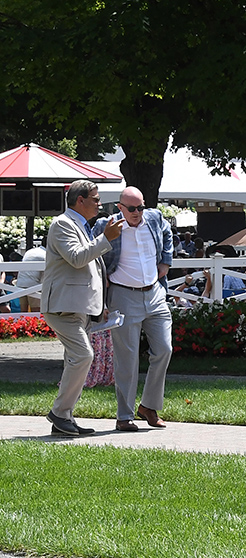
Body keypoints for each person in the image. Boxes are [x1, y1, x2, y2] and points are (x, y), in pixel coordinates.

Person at [40, 180, 123, 436]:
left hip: (78, 307)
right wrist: (105, 238)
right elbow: (77, 258)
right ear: (80, 200)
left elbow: (94, 269)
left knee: (74, 360)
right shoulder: (63, 224)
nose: (99, 203)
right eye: (95, 199)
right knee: (83, 356)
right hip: (62, 307)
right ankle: (59, 412)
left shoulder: (79, 225)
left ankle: (63, 418)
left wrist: (102, 306)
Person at [93, 186, 174, 431]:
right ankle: (124, 416)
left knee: (164, 349)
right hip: (123, 295)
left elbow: (168, 233)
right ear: (120, 208)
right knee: (126, 358)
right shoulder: (108, 226)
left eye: (140, 207)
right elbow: (91, 248)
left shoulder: (154, 217)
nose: (137, 212)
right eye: (132, 209)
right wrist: (101, 275)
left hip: (155, 293)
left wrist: (166, 261)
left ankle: (149, 406)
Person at [15, 236, 47, 313]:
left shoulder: (31, 251)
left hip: (20, 283)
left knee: (24, 312)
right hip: (33, 285)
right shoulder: (45, 254)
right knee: (36, 312)